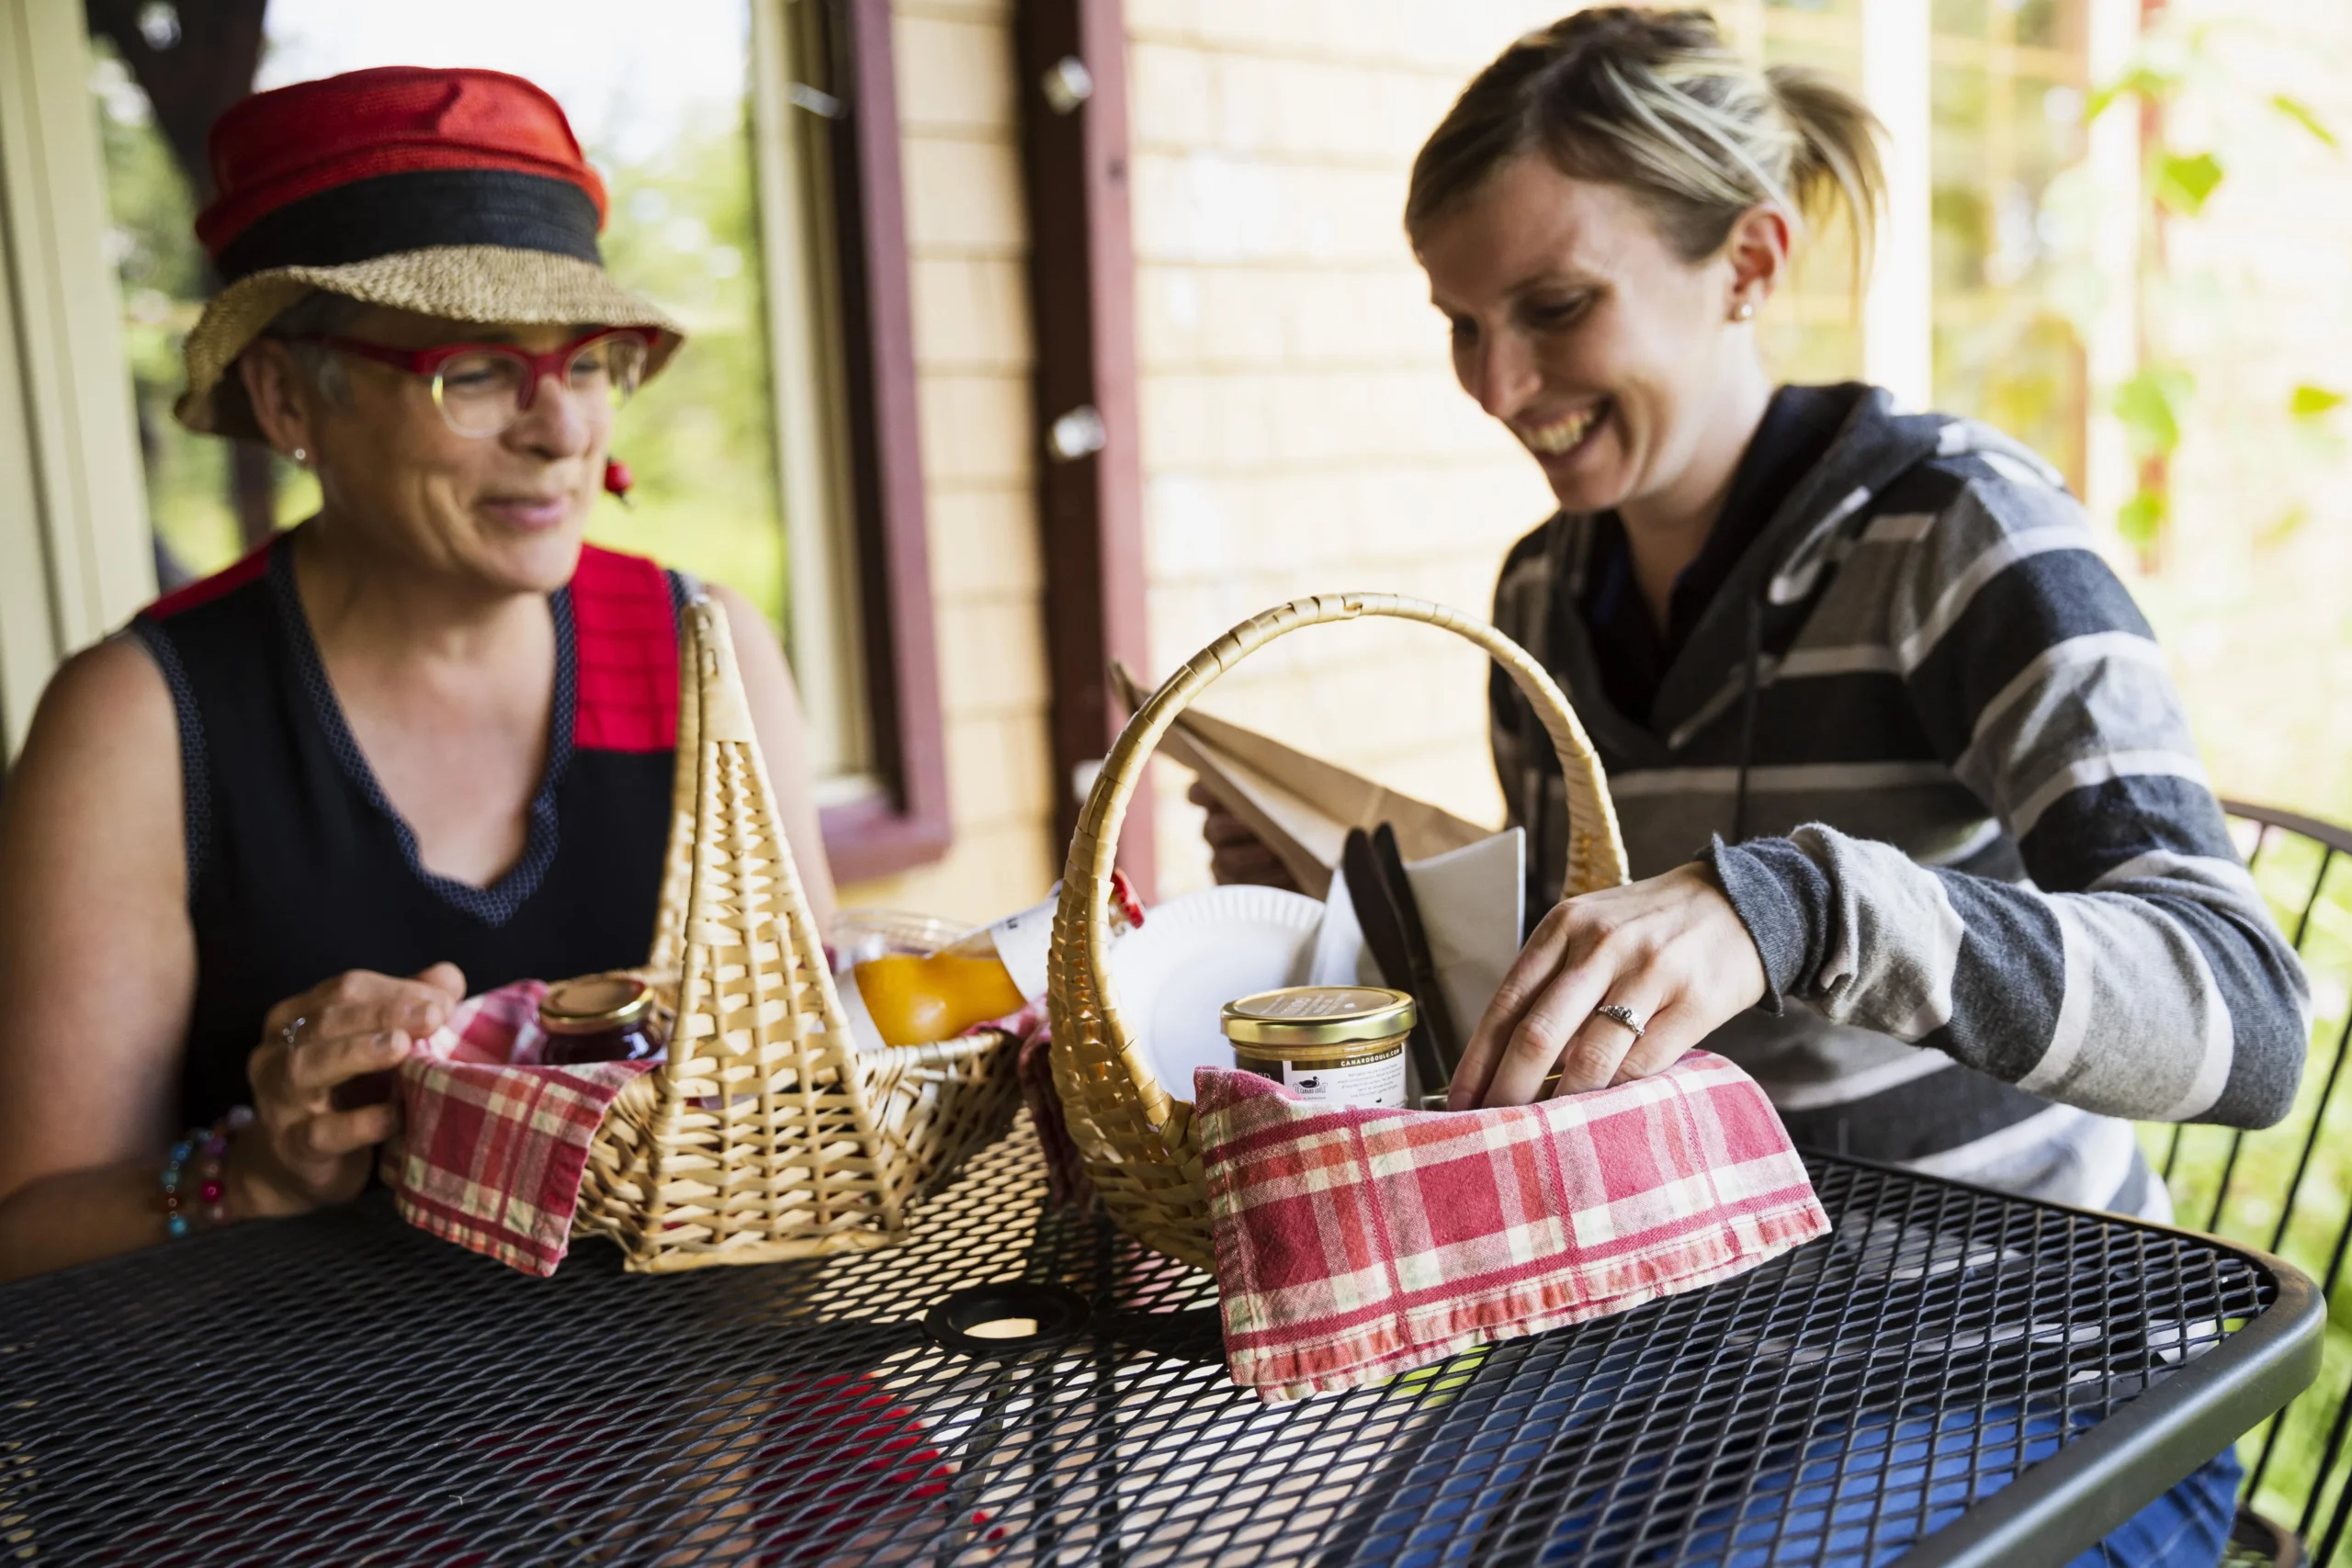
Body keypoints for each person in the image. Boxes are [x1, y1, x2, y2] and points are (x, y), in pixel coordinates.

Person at [1198, 11, 2303, 1562]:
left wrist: (1795, 903)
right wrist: (1353, 907)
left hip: (2047, 1362)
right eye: (1460, 322)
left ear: (1749, 262)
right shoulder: (1541, 597)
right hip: (1698, 1312)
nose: (1501, 383)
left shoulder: (1962, 536)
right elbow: (1605, 1026)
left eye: (1557, 306)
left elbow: (2248, 1019)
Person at [0, 67, 835, 1280]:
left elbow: (811, 1088)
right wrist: (262, 1173)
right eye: (480, 370)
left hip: (696, 1402)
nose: (562, 429)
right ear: (292, 395)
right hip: (288, 1438)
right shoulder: (145, 717)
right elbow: (27, 1234)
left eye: (589, 360)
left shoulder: (703, 650)